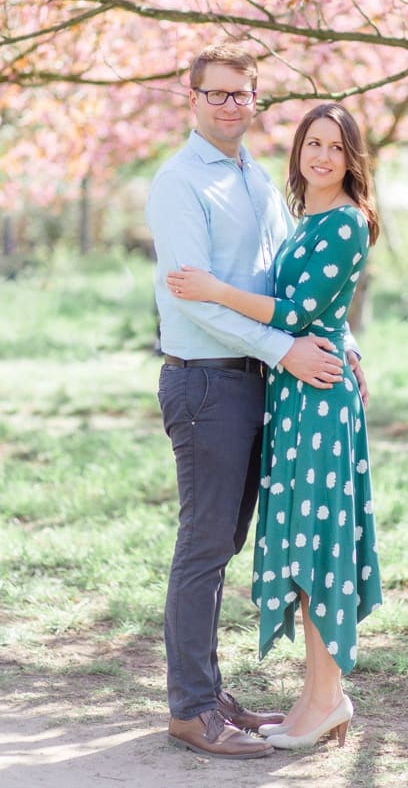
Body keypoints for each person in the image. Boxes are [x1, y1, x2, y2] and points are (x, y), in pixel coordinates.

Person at [144, 43, 363, 760]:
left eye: (243, 94)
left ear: (256, 101)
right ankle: (192, 707)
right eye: (218, 93)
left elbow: (297, 290)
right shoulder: (179, 184)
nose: (231, 105)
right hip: (206, 378)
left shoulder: (262, 182)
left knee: (224, 542)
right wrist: (286, 351)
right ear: (193, 97)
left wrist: (344, 344)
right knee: (204, 543)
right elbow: (197, 299)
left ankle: (210, 692)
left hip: (259, 383)